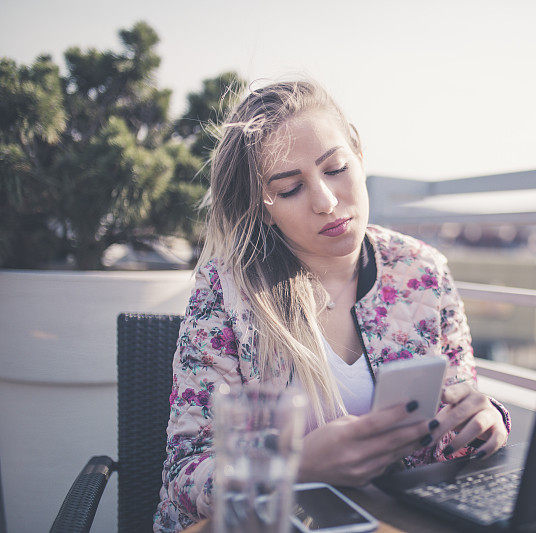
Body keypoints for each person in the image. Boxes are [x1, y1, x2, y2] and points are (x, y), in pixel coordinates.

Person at [154, 80, 511, 532]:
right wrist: (297, 465)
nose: (325, 201)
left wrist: (482, 421)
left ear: (358, 157)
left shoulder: (422, 271)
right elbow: (183, 476)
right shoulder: (226, 290)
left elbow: (452, 416)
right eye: (289, 189)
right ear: (265, 209)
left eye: (336, 168)